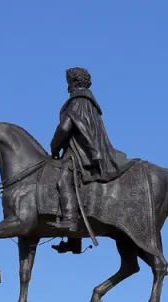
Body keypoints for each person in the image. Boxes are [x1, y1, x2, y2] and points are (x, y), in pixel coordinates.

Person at [50, 67, 132, 255]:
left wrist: (54, 146)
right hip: (87, 150)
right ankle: (74, 242)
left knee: (64, 179)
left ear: (73, 82)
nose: (67, 87)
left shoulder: (77, 101)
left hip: (81, 152)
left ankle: (70, 220)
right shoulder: (89, 102)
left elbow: (65, 128)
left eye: (68, 82)